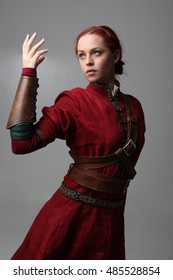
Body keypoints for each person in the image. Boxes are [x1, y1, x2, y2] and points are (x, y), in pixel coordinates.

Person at [7, 25, 145, 260]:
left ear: (116, 55)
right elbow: (22, 143)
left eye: (96, 52)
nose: (88, 61)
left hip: (111, 220)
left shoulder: (134, 106)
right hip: (70, 217)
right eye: (82, 55)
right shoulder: (74, 103)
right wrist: (28, 72)